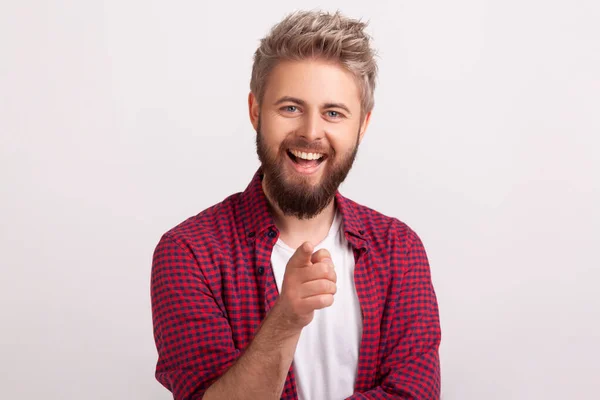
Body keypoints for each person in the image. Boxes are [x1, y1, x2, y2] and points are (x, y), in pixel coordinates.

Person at [151, 10, 441, 400]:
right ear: (256, 111)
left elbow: (414, 395)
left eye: (333, 113)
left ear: (363, 125)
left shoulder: (399, 249)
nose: (310, 132)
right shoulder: (189, 253)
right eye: (290, 108)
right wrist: (286, 321)